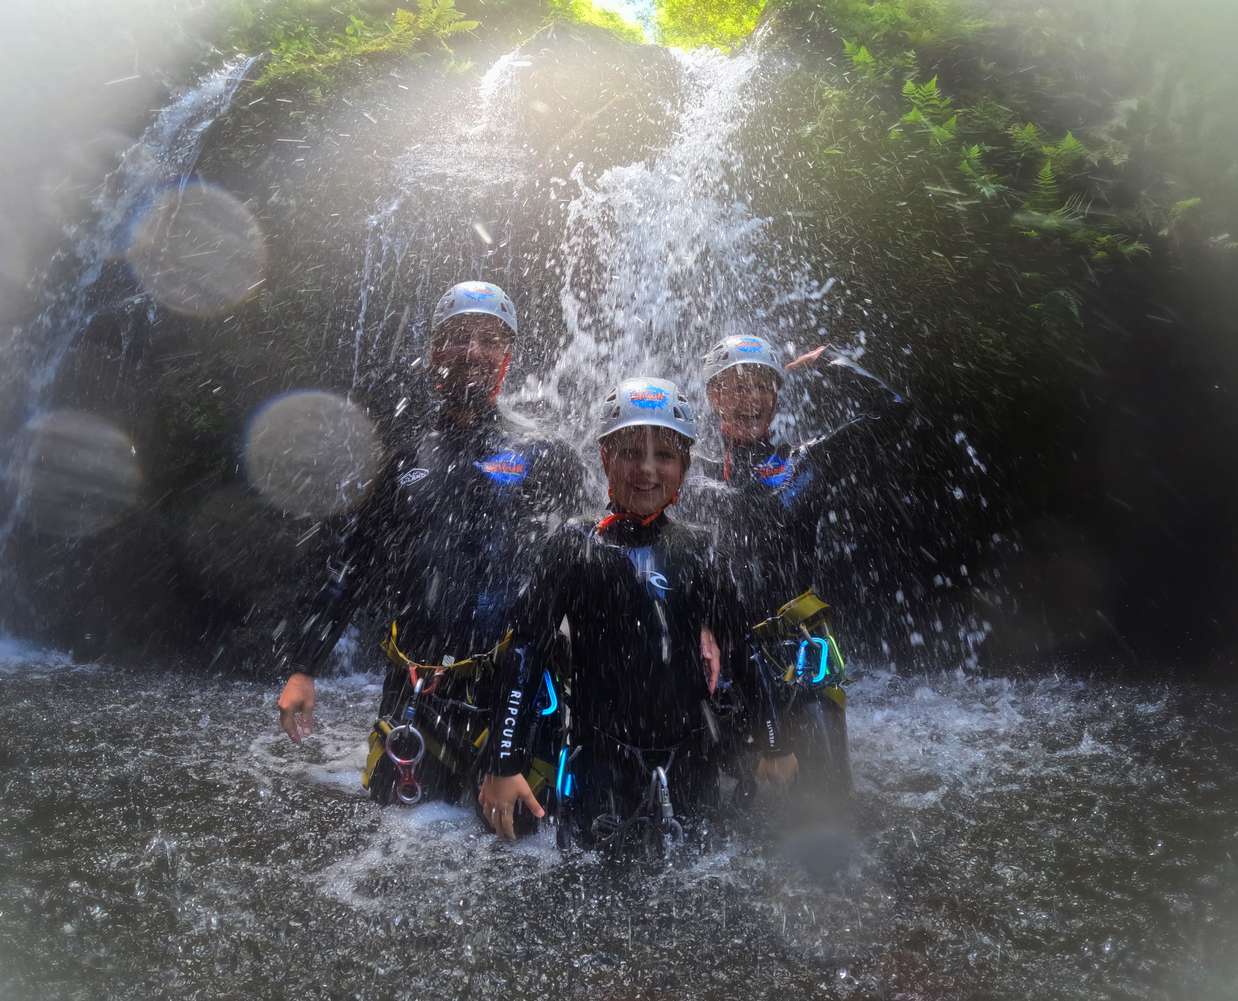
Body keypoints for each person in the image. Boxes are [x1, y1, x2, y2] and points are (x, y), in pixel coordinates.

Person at [274, 280, 585, 806]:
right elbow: (355, 564)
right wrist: (304, 667)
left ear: (506, 358)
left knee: (518, 852)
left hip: (513, 699)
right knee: (396, 843)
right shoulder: (399, 458)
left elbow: (585, 567)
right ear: (435, 352)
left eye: (489, 340)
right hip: (417, 692)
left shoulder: (546, 456)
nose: (473, 353)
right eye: (459, 338)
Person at [477, 377, 798, 849]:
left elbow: (743, 649)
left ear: (685, 466)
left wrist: (773, 743)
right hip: (599, 763)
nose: (646, 469)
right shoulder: (574, 545)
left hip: (690, 760)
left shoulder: (699, 549)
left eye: (664, 455)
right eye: (630, 452)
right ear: (605, 458)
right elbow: (527, 651)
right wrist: (504, 763)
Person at [681, 334, 908, 797]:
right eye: (735, 386)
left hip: (802, 658)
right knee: (727, 823)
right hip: (725, 665)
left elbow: (895, 412)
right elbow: (735, 515)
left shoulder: (805, 462)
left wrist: (829, 361)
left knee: (831, 804)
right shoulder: (691, 472)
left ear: (776, 397)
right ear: (714, 396)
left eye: (762, 385)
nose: (750, 398)